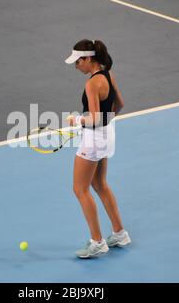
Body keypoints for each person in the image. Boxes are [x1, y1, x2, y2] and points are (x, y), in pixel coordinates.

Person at [64, 39, 131, 259]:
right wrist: (104, 123)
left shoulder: (92, 84)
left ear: (88, 58)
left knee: (80, 189)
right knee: (100, 184)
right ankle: (120, 233)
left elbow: (92, 117)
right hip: (108, 135)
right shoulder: (109, 75)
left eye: (78, 61)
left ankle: (97, 241)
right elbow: (119, 104)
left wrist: (76, 120)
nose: (76, 66)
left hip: (93, 140)